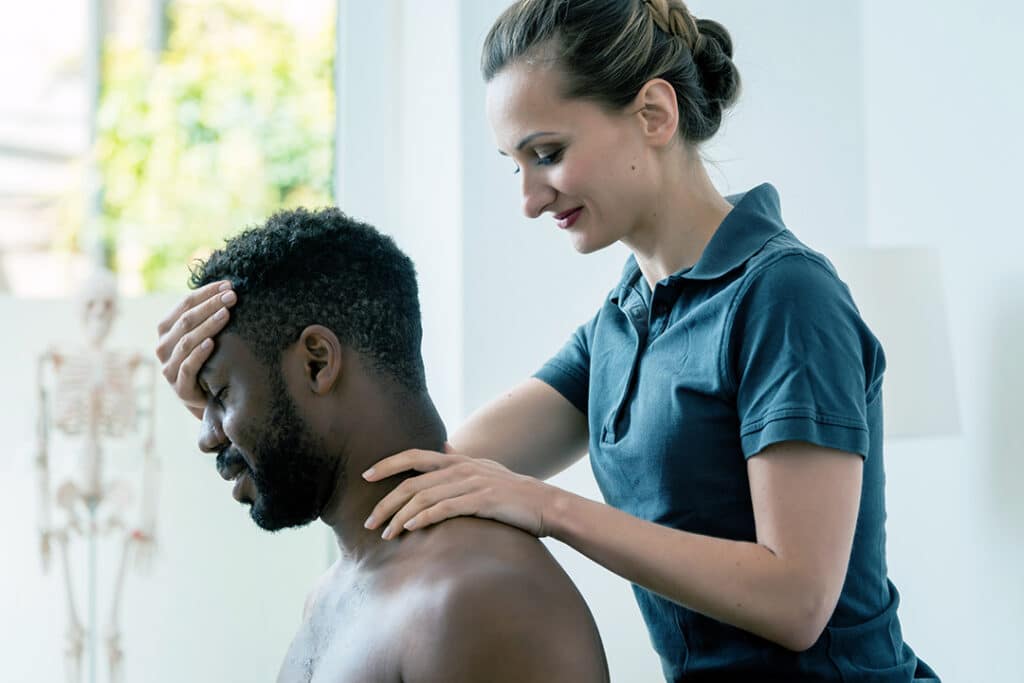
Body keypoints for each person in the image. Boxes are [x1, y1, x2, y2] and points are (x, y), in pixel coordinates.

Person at [158, 1, 939, 681]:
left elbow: (797, 598)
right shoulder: (622, 321)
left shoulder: (783, 295)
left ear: (655, 114)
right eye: (514, 164)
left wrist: (550, 507)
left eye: (548, 153)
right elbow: (417, 473)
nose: (530, 198)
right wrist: (236, 394)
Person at [156, 207, 609, 682]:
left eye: (221, 395)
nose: (207, 437)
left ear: (317, 363)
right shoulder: (334, 593)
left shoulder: (477, 599)